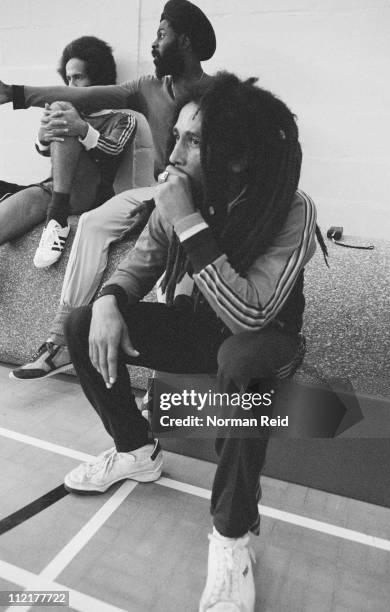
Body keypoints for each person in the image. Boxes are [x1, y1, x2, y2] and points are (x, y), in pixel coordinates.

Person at [62, 72, 318, 611]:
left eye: (192, 140)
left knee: (241, 361)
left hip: (263, 342)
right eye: (176, 134)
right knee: (82, 322)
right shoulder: (179, 189)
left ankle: (233, 536)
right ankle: (135, 450)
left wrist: (188, 220)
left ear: (237, 157)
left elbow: (253, 313)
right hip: (199, 327)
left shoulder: (289, 208)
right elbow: (140, 262)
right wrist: (110, 299)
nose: (172, 150)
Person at [5, 0, 216, 380]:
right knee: (92, 221)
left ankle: (164, 380)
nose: (154, 43)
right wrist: (17, 93)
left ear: (184, 41)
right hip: (158, 187)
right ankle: (60, 342)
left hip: (203, 196)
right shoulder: (144, 88)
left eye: (161, 35)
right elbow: (84, 98)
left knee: (174, 251)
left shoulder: (218, 93)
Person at [0, 36, 136, 268]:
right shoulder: (70, 110)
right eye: (68, 78)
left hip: (92, 195)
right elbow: (46, 153)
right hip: (55, 190)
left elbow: (112, 152)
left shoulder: (122, 118)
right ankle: (56, 213)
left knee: (61, 107)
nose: (71, 86)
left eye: (78, 77)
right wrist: (43, 138)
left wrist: (83, 130)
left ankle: (57, 218)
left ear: (98, 76)